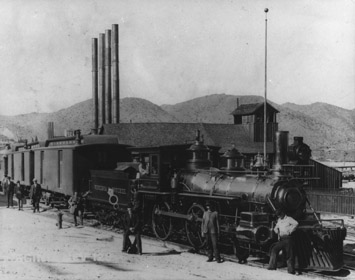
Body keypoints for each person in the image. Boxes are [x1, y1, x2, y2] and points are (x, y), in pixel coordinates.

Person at [267, 209, 298, 274]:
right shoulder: (279, 220)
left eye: (280, 215)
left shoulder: (289, 219)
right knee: (274, 249)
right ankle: (272, 266)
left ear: (283, 213)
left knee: (289, 255)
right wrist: (276, 230)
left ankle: (291, 271)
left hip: (288, 239)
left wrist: (290, 230)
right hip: (281, 239)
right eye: (278, 215)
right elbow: (276, 227)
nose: (279, 216)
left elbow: (296, 223)